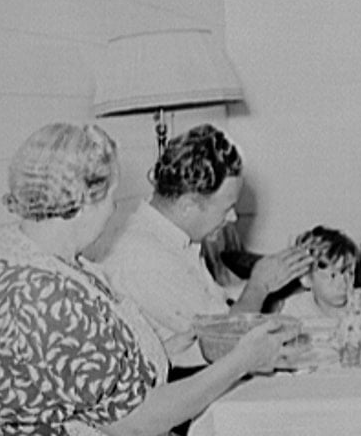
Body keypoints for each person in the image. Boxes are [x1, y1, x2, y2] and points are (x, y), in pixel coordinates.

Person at [0, 123, 313, 436]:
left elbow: (114, 374)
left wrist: (204, 347)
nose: (116, 208)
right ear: (84, 201)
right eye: (112, 195)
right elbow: (135, 424)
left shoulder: (49, 264)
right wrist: (240, 361)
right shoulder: (47, 296)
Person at [102, 123, 322, 371]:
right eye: (226, 208)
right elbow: (228, 344)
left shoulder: (171, 240)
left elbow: (216, 307)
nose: (233, 218)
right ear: (188, 204)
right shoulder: (146, 259)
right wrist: (259, 286)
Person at [271, 225, 360, 321]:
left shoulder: (360, 306)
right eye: (332, 275)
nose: (343, 283)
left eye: (349, 273)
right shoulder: (295, 309)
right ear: (307, 279)